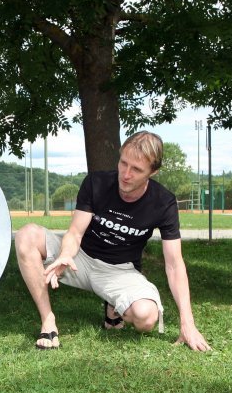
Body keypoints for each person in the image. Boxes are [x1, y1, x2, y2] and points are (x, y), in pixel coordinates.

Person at [14, 130, 210, 351]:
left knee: (145, 318)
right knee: (26, 235)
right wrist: (66, 255)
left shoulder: (163, 202)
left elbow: (174, 265)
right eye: (123, 163)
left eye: (136, 169)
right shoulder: (96, 183)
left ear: (153, 172)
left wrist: (188, 323)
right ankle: (48, 320)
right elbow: (75, 233)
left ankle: (113, 306)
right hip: (80, 258)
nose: (126, 174)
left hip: (120, 271)